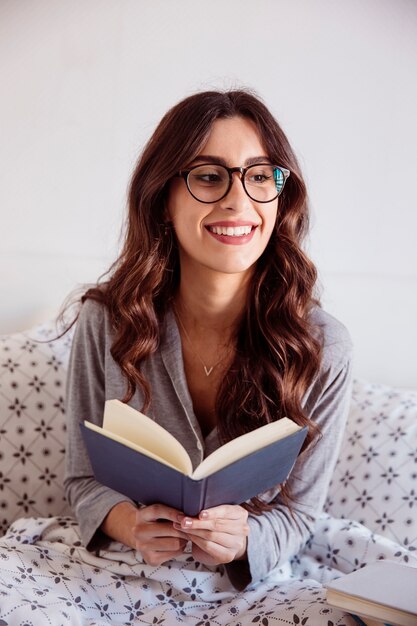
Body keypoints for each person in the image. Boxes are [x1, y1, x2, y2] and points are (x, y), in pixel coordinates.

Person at [63, 88, 353, 592]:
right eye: (208, 176)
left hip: (246, 589)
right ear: (163, 200)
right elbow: (82, 481)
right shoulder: (105, 319)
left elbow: (299, 515)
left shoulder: (324, 346)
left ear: (281, 196)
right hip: (119, 576)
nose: (239, 200)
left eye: (260, 176)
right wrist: (129, 525)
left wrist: (244, 540)